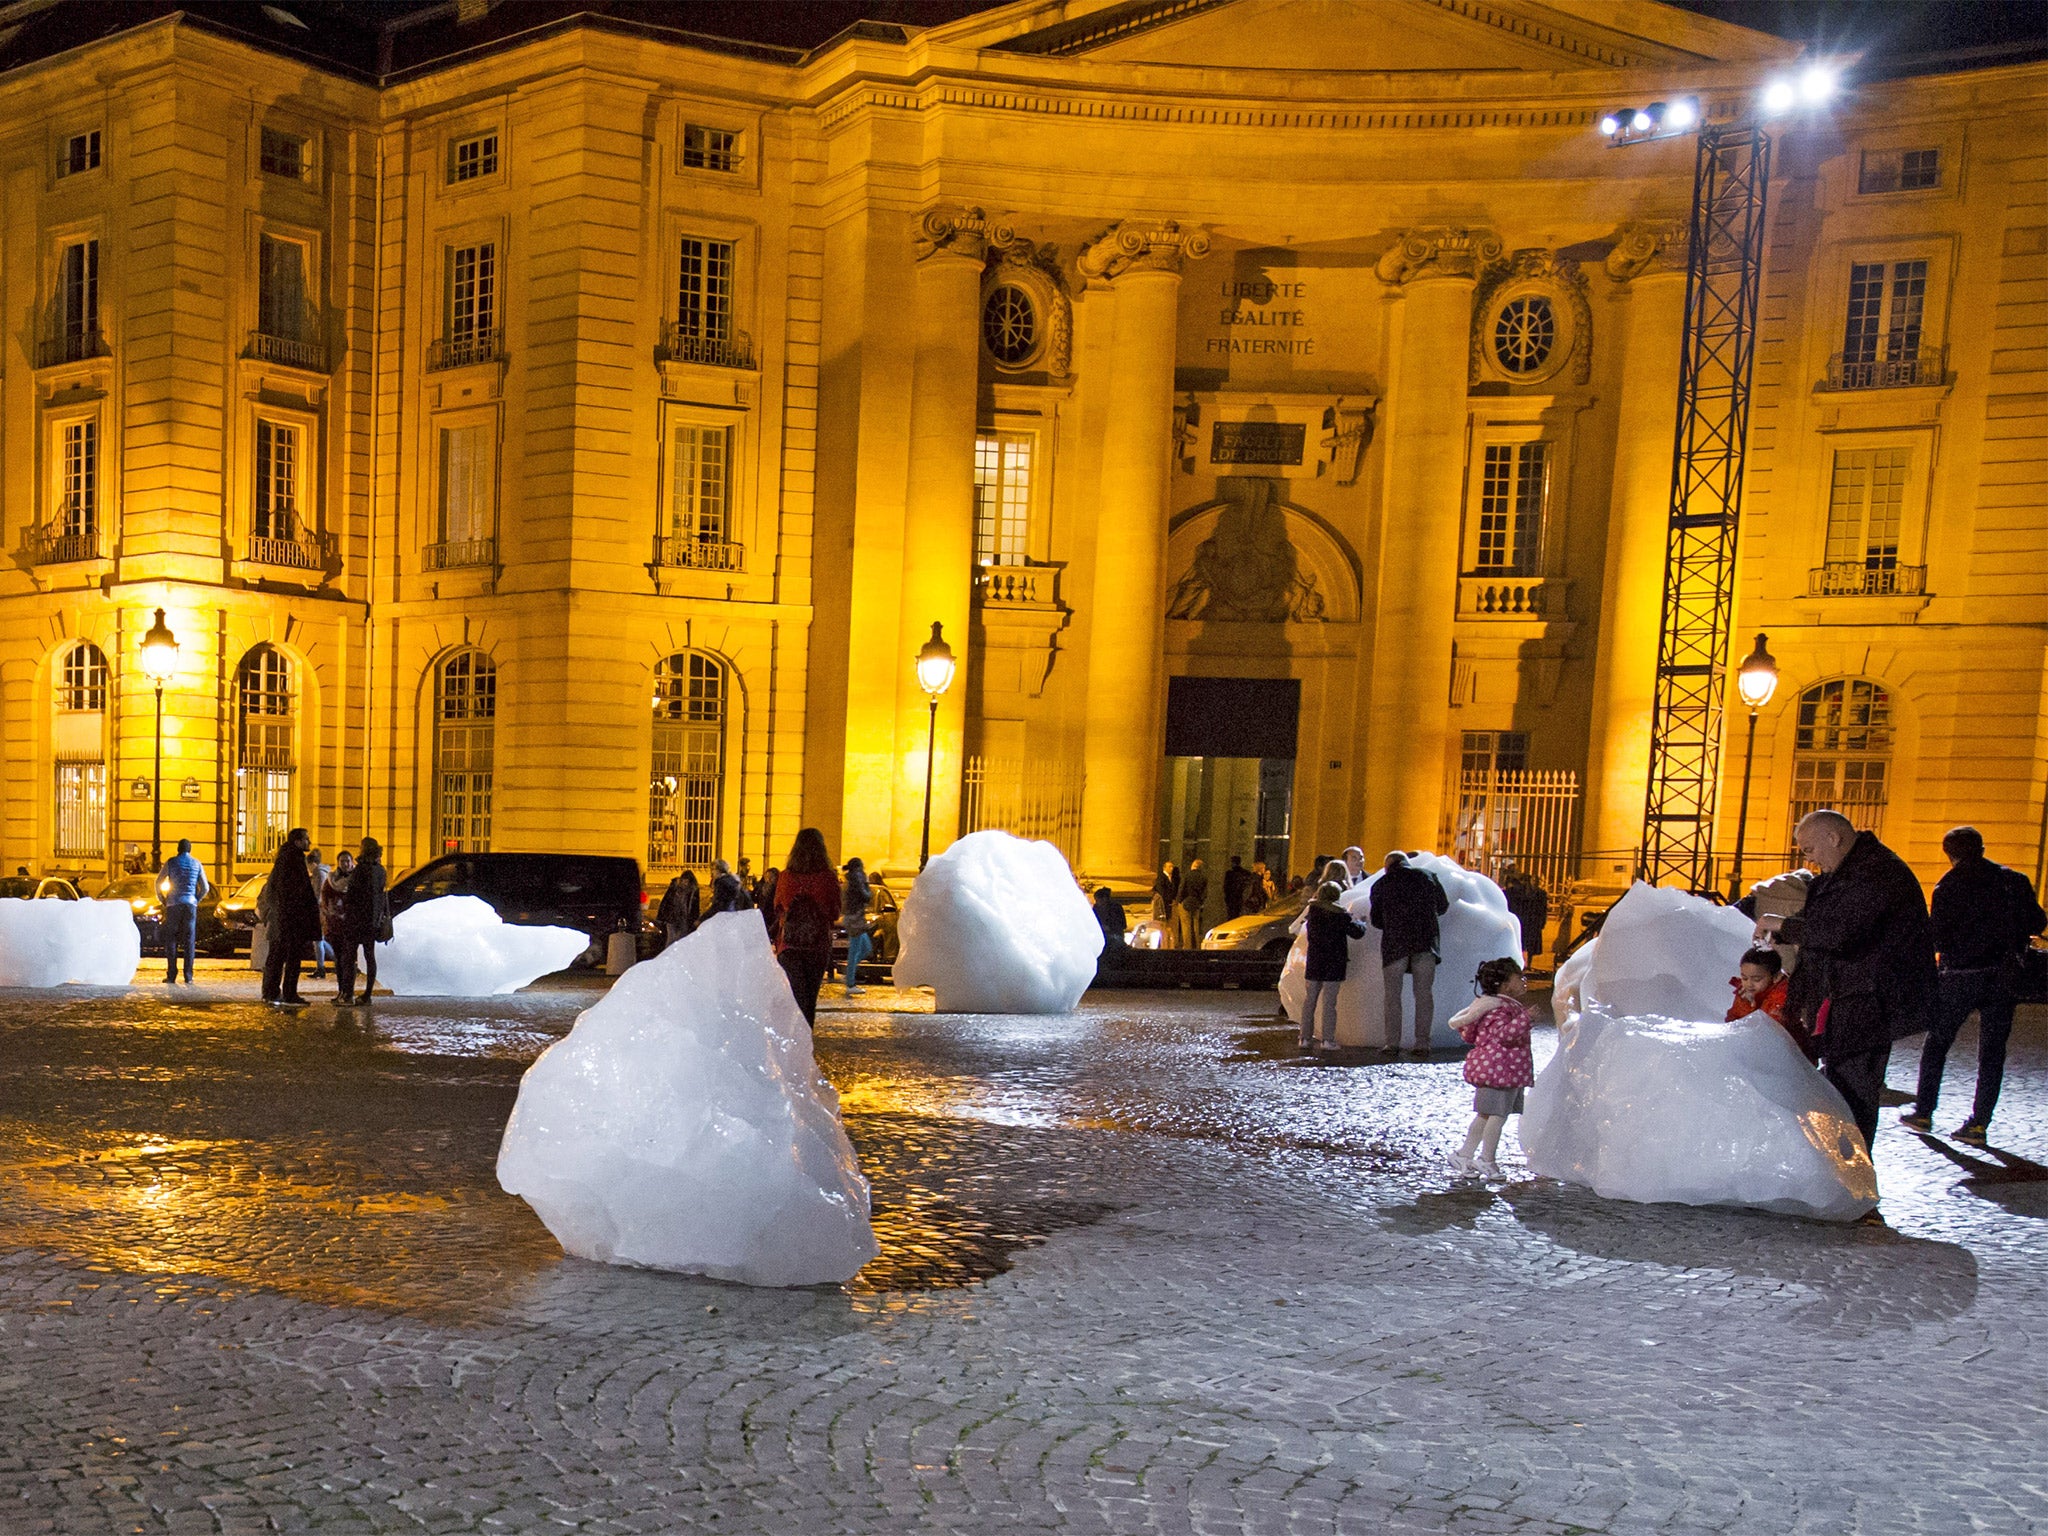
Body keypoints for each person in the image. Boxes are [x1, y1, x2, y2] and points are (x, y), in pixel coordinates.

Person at [1778, 810, 1937, 1154]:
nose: (1810, 859)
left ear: (1833, 838)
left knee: (1854, 1092)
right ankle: (1844, 1170)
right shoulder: (1852, 871)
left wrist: (1784, 926)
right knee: (1842, 1086)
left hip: (1869, 1002)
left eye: (1810, 849)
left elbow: (1840, 933)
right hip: (1851, 998)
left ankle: (1854, 1178)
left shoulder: (1877, 873)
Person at [1904, 826, 2047, 1144]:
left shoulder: (1948, 886)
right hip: (2003, 975)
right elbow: (2037, 921)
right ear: (1982, 848)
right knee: (1993, 1052)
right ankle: (1979, 1124)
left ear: (1949, 853)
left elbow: (1938, 936)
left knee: (1937, 1043)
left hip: (1960, 976)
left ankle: (1924, 1112)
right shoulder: (2014, 880)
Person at [1448, 958, 1535, 1178]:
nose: (1523, 981)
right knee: (1497, 1116)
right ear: (1505, 985)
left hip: (1505, 1070)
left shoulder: (1501, 1006)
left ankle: (1464, 1154)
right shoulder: (1498, 1009)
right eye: (1519, 978)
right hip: (1498, 1070)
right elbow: (1502, 1035)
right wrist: (1526, 1019)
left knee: (1486, 1115)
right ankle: (1486, 1159)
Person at [1368, 852, 1449, 1052]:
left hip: (1395, 945)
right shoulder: (1428, 876)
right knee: (1423, 994)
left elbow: (1376, 920)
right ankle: (1422, 1042)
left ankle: (1392, 1043)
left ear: (1388, 867)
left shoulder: (1381, 884)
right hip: (1426, 942)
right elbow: (1443, 906)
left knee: (1392, 996)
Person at [773, 830, 839, 1026]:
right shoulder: (827, 877)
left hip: (789, 945)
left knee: (795, 997)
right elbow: (834, 912)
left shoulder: (786, 877)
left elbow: (777, 907)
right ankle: (805, 1041)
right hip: (817, 944)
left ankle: (794, 1041)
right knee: (810, 999)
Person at [1300, 880, 1367, 1054]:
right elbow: (1357, 933)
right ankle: (1327, 1040)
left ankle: (1304, 1038)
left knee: (1310, 1001)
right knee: (1329, 1003)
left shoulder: (1313, 914)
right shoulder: (1340, 916)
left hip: (1315, 962)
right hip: (1334, 963)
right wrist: (1361, 921)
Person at [260, 828, 320, 1007]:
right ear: (298, 841)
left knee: (277, 955)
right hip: (291, 918)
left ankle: (271, 991)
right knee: (292, 956)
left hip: (282, 917)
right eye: (306, 839)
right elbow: (298, 890)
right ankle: (289, 993)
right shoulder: (294, 859)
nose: (309, 842)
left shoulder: (283, 858)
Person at [334, 837, 390, 1006]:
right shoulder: (381, 871)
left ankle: (348, 994)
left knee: (349, 957)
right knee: (369, 956)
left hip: (356, 920)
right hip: (372, 921)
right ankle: (367, 994)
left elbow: (352, 896)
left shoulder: (360, 871)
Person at [157, 838, 210, 985]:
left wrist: (163, 899)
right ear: (190, 849)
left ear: (178, 849)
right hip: (190, 905)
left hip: (173, 904)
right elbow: (205, 887)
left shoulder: (171, 862)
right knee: (189, 941)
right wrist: (196, 899)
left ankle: (171, 975)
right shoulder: (197, 864)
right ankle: (188, 976)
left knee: (172, 940)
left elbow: (158, 882)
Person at [1727, 945, 1799, 1047]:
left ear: (1776, 977)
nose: (1749, 984)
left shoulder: (1783, 996)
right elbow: (1733, 1022)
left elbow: (1769, 1031)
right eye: (1744, 978)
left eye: (1756, 979)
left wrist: (1751, 1007)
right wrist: (1746, 1004)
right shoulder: (1745, 994)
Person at [320, 850, 354, 990]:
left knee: (349, 959)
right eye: (342, 861)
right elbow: (324, 898)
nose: (345, 864)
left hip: (350, 924)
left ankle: (348, 991)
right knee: (339, 959)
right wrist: (329, 911)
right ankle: (342, 990)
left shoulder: (356, 878)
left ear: (352, 862)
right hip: (335, 924)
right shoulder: (331, 879)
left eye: (347, 861)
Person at [1502, 868, 1550, 962]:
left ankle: (1527, 962)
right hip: (1522, 921)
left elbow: (1543, 909)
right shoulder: (1515, 893)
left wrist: (1542, 921)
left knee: (1530, 945)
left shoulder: (1539, 894)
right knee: (1520, 944)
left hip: (1532, 922)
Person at [841, 858, 873, 994]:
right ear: (859, 867)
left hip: (855, 918)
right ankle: (850, 983)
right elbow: (866, 896)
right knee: (854, 952)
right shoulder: (857, 878)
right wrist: (867, 884)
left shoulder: (850, 878)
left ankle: (849, 972)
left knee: (866, 948)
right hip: (855, 919)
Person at [305, 847, 332, 979]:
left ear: (312, 863)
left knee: (318, 939)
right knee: (318, 939)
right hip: (321, 909)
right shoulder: (322, 873)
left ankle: (322, 967)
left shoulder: (319, 874)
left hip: (319, 910)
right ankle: (322, 966)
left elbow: (318, 894)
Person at [657, 869, 701, 948]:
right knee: (671, 939)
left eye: (687, 881)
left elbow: (695, 907)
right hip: (672, 917)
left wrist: (694, 920)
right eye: (683, 880)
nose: (684, 883)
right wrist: (661, 916)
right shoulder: (674, 887)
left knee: (682, 939)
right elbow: (666, 900)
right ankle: (668, 956)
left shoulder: (693, 891)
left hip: (684, 919)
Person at [1176, 858, 1209, 948]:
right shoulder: (1203, 877)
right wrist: (1200, 901)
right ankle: (1196, 945)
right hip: (1196, 902)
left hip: (1185, 901)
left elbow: (1182, 888)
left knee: (1186, 925)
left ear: (1193, 865)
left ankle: (1187, 945)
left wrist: (1179, 900)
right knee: (1195, 925)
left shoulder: (1187, 875)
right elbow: (1205, 893)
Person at [1151, 862, 1180, 947]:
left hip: (1169, 905)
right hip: (1163, 904)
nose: (1172, 868)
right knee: (1162, 924)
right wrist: (1169, 900)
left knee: (1168, 924)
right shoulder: (1161, 878)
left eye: (1172, 866)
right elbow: (1161, 892)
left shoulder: (1172, 878)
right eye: (1170, 866)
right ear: (1164, 867)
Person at [1093, 886, 1127, 953]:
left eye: (1098, 900)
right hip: (1102, 937)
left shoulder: (1116, 908)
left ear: (1104, 899)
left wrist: (1110, 927)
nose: (1097, 902)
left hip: (1115, 937)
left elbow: (1123, 924)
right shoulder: (1096, 908)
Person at [757, 867, 782, 945]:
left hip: (773, 916)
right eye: (767, 877)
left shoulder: (778, 889)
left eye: (771, 877)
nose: (769, 880)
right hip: (764, 916)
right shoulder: (763, 888)